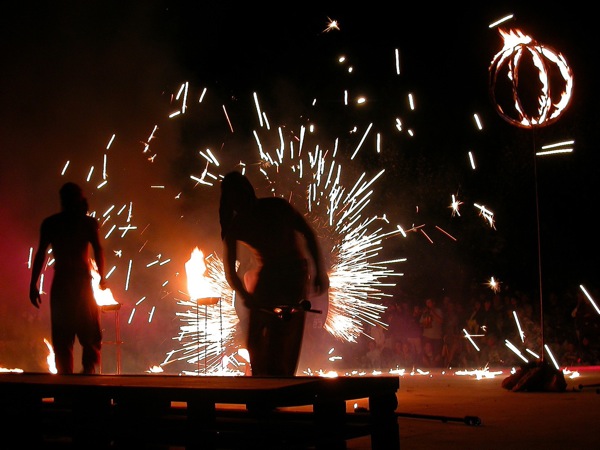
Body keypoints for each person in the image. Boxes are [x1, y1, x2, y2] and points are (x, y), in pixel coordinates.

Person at [219, 171, 329, 377]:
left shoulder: (276, 207)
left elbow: (308, 233)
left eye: (240, 195)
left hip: (293, 271)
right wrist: (246, 297)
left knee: (284, 332)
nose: (239, 202)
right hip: (269, 274)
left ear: (248, 193)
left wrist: (320, 272)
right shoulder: (237, 226)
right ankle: (262, 379)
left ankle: (280, 379)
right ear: (229, 203)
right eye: (234, 199)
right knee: (255, 335)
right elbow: (230, 272)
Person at [29, 182, 106, 374]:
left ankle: (80, 377)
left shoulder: (58, 223)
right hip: (73, 282)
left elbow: (41, 254)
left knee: (80, 336)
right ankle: (75, 379)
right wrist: (33, 284)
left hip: (73, 282)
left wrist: (34, 284)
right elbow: (98, 249)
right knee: (78, 336)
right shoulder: (80, 223)